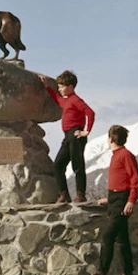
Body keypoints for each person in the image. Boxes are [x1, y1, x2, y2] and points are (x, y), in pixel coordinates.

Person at [83, 125, 138, 275]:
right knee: (122, 241)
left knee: (108, 236)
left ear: (110, 139)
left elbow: (134, 180)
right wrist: (109, 199)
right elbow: (120, 180)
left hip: (122, 201)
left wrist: (130, 201)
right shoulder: (116, 155)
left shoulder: (125, 155)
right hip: (115, 199)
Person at [38, 70, 95, 203]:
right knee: (58, 165)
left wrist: (86, 131)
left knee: (77, 165)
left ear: (70, 86)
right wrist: (47, 86)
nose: (59, 89)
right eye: (58, 86)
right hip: (67, 136)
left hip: (76, 134)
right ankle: (64, 195)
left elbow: (90, 112)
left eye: (62, 86)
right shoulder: (66, 100)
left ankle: (80, 195)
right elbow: (56, 98)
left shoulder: (76, 100)